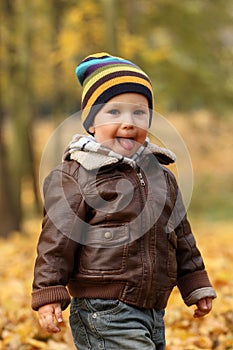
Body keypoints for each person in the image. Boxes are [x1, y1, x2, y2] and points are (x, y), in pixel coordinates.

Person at [32, 52, 216, 349]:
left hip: (154, 310)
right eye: (114, 113)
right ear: (91, 123)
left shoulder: (162, 177)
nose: (129, 122)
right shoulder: (77, 174)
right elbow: (57, 240)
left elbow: (181, 235)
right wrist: (49, 291)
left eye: (139, 113)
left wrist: (196, 283)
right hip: (103, 310)